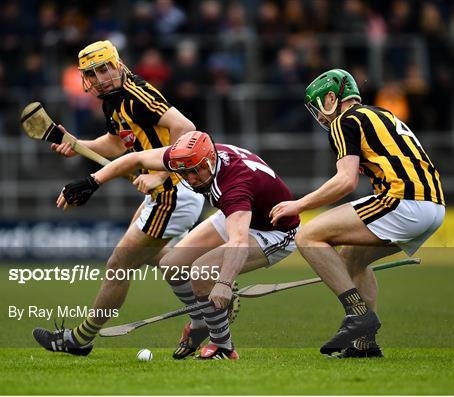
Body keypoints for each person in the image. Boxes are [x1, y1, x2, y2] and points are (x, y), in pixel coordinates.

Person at [55, 131, 301, 360]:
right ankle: (202, 322)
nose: (190, 179)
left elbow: (238, 242)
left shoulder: (234, 186)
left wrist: (224, 283)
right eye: (183, 174)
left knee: (201, 272)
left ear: (208, 163)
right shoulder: (192, 157)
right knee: (172, 265)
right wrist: (92, 182)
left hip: (275, 229)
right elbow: (136, 158)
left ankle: (223, 346)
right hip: (241, 214)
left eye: (194, 172)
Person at [32, 40, 206, 357]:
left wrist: (163, 173)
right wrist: (78, 144)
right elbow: (116, 144)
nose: (99, 78)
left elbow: (185, 126)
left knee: (118, 266)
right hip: (164, 193)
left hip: (174, 190)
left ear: (117, 64)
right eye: (92, 73)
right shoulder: (112, 102)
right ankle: (206, 310)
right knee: (159, 258)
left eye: (104, 69)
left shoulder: (137, 94)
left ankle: (79, 339)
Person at [270, 69, 445, 358]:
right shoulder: (383, 115)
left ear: (330, 98)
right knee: (352, 258)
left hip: (403, 199)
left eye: (319, 109)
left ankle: (358, 315)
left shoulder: (344, 120)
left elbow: (346, 181)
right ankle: (365, 343)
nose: (321, 118)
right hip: (434, 206)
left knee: (308, 236)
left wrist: (298, 204)